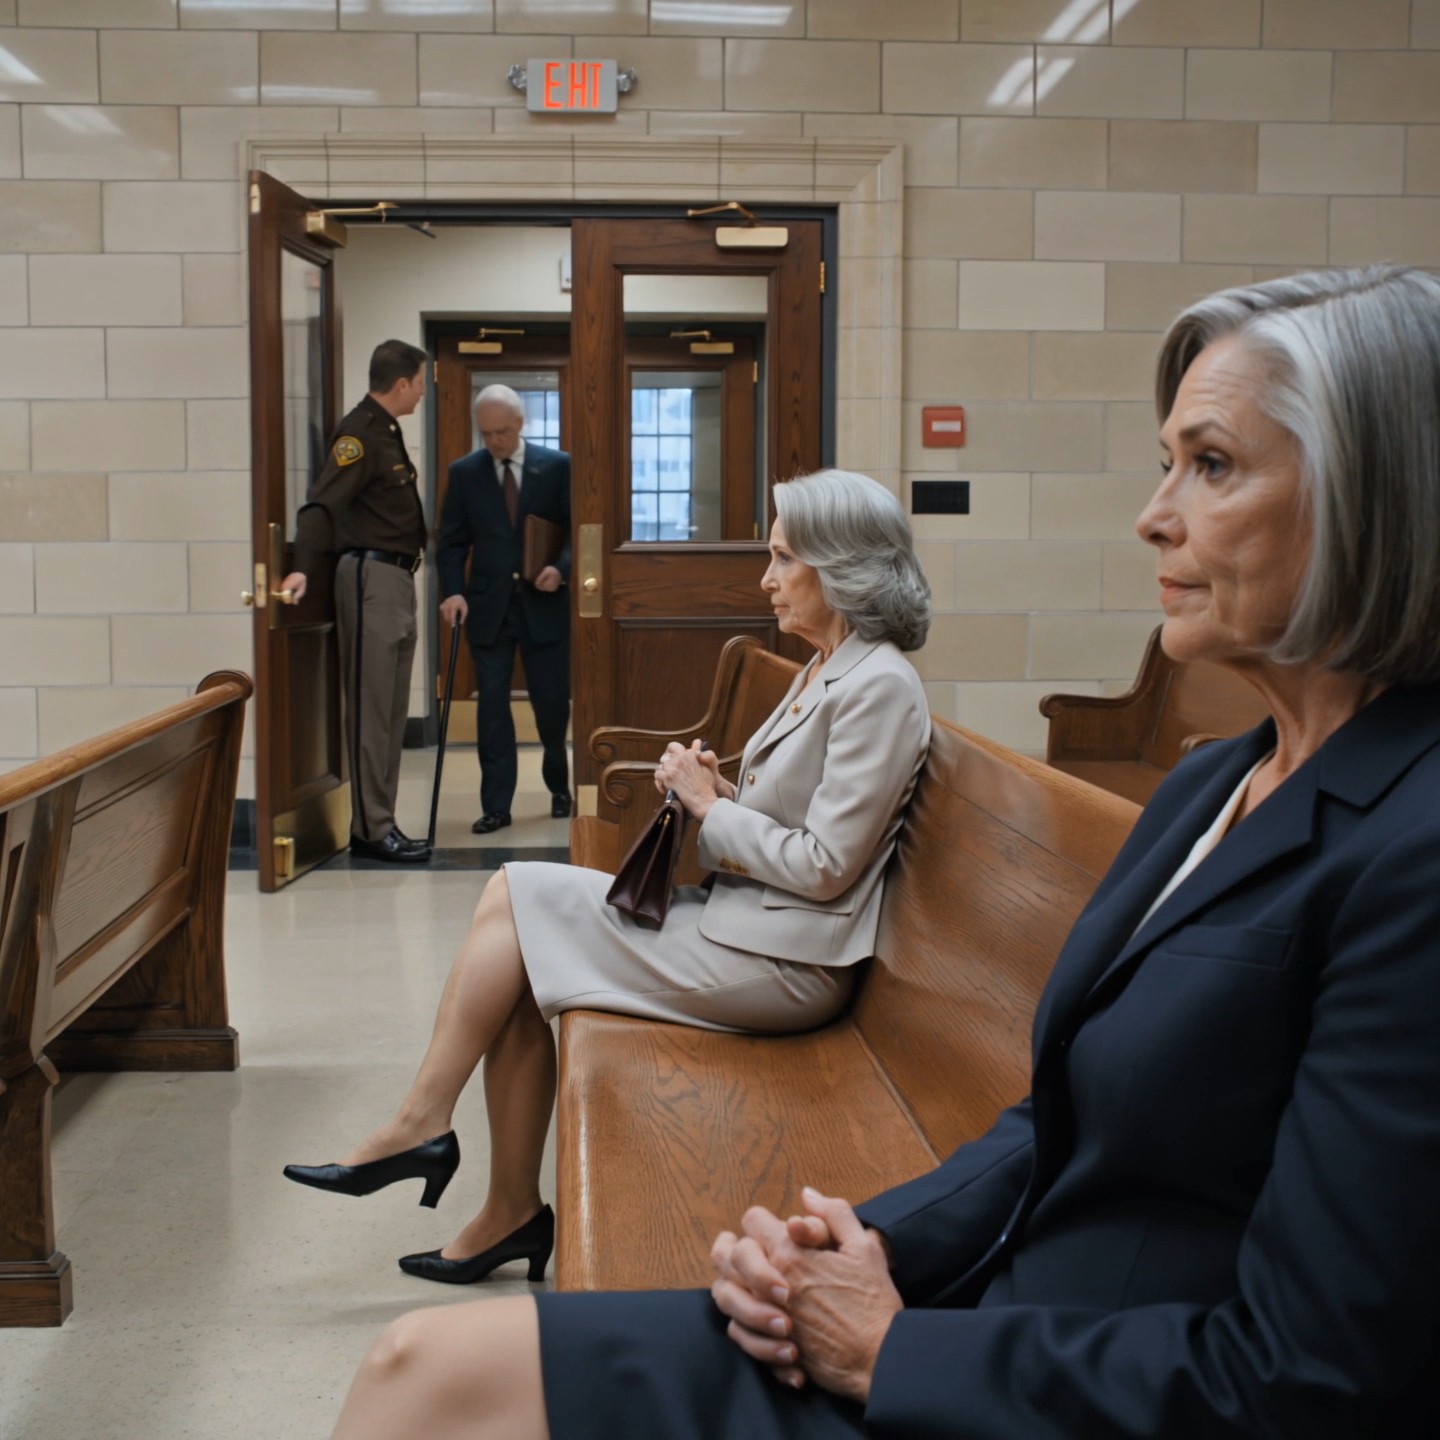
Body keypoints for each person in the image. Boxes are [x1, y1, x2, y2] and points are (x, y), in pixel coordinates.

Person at [329, 265, 1440, 1439]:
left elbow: (1316, 1379)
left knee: (437, 1386)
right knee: (420, 1368)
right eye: (1166, 463)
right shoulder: (1219, 780)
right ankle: (476, 1173)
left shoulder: (1412, 854)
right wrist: (854, 1242)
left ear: (1376, 501)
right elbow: (1057, 1123)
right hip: (976, 1305)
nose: (1153, 514)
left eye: (1210, 465)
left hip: (1037, 1377)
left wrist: (896, 1347)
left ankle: (453, 1154)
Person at [284, 468, 933, 1284]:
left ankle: (425, 1129)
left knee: (517, 899)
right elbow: (803, 822)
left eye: (781, 559)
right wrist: (717, 792)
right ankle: (504, 1209)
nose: (765, 579)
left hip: (787, 964)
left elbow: (828, 866)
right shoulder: (826, 665)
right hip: (750, 925)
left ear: (842, 566)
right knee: (516, 929)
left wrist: (711, 810)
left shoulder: (880, 688)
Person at [281, 338, 432, 866]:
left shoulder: (386, 432)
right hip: (369, 577)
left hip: (394, 579)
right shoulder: (359, 434)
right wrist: (301, 565)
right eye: (420, 382)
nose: (422, 392)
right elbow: (323, 503)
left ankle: (380, 820)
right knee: (371, 710)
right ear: (401, 383)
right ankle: (371, 829)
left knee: (389, 709)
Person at [437, 385, 573, 834]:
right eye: (486, 433)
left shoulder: (557, 468)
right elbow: (452, 542)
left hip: (544, 604)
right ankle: (496, 805)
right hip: (488, 610)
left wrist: (560, 567)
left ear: (520, 424)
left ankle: (559, 787)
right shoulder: (464, 473)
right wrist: (452, 592)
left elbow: (579, 532)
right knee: (491, 711)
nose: (494, 441)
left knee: (550, 707)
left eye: (502, 431)